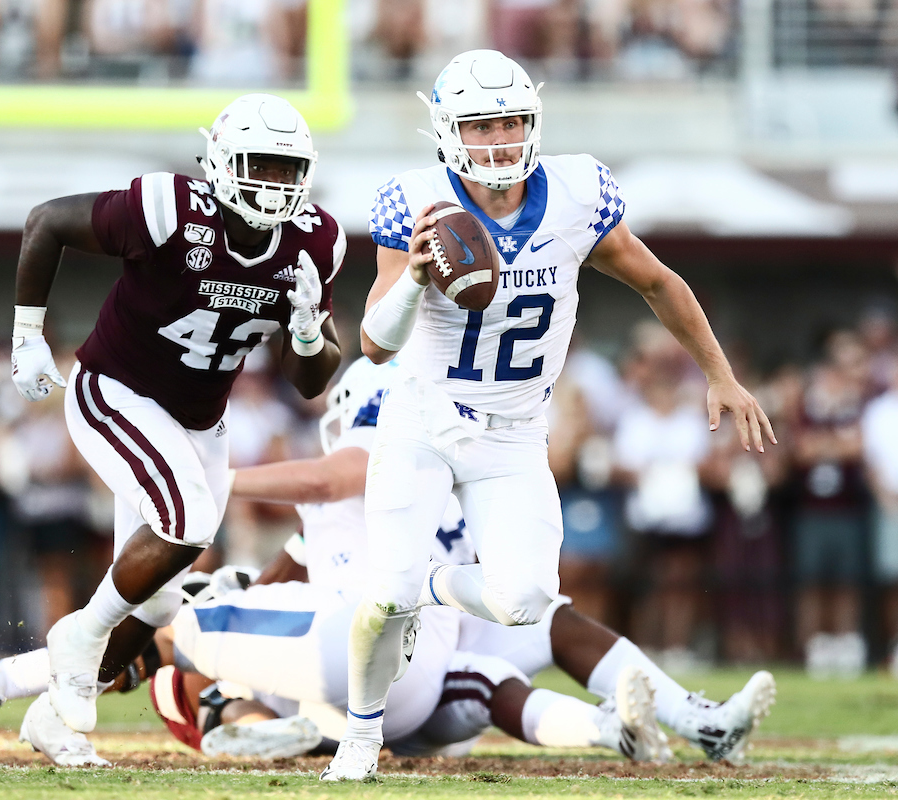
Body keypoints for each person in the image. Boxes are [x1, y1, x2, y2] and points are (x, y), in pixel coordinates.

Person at [0, 358, 774, 768]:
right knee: (537, 630)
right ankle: (681, 720)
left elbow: (333, 476)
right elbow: (297, 553)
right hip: (424, 673)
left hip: (353, 652)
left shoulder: (380, 451)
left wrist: (210, 481)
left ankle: (21, 688)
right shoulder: (461, 464)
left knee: (182, 610)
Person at [325, 49, 776, 780]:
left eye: (511, 121)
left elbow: (658, 283)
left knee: (526, 599)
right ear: (447, 132)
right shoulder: (414, 200)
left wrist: (719, 374)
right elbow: (375, 346)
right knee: (386, 594)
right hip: (424, 420)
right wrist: (413, 275)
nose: (499, 139)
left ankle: (431, 586)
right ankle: (359, 737)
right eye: (480, 126)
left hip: (514, 434)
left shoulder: (576, 192)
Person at [5, 92, 343, 760]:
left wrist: (307, 331)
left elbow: (311, 380)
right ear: (219, 160)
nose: (272, 183)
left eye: (286, 169)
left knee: (159, 601)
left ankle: (51, 715)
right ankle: (77, 637)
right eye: (259, 164)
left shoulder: (315, 239)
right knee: (189, 526)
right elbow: (46, 221)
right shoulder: (167, 208)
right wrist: (26, 335)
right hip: (116, 391)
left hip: (197, 420)